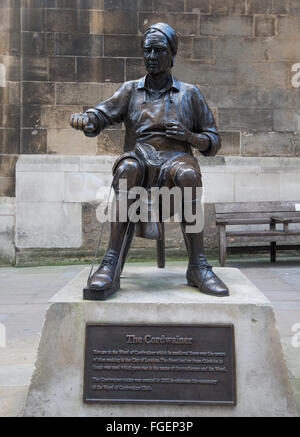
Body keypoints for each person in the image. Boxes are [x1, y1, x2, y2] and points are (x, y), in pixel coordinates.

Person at [70, 22, 229, 299]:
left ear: (172, 55)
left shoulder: (189, 94)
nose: (152, 57)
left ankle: (198, 266)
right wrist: (87, 118)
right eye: (147, 51)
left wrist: (189, 136)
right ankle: (111, 264)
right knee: (127, 168)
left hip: (175, 162)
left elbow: (213, 142)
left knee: (189, 175)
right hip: (140, 159)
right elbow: (102, 113)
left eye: (158, 51)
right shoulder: (131, 90)